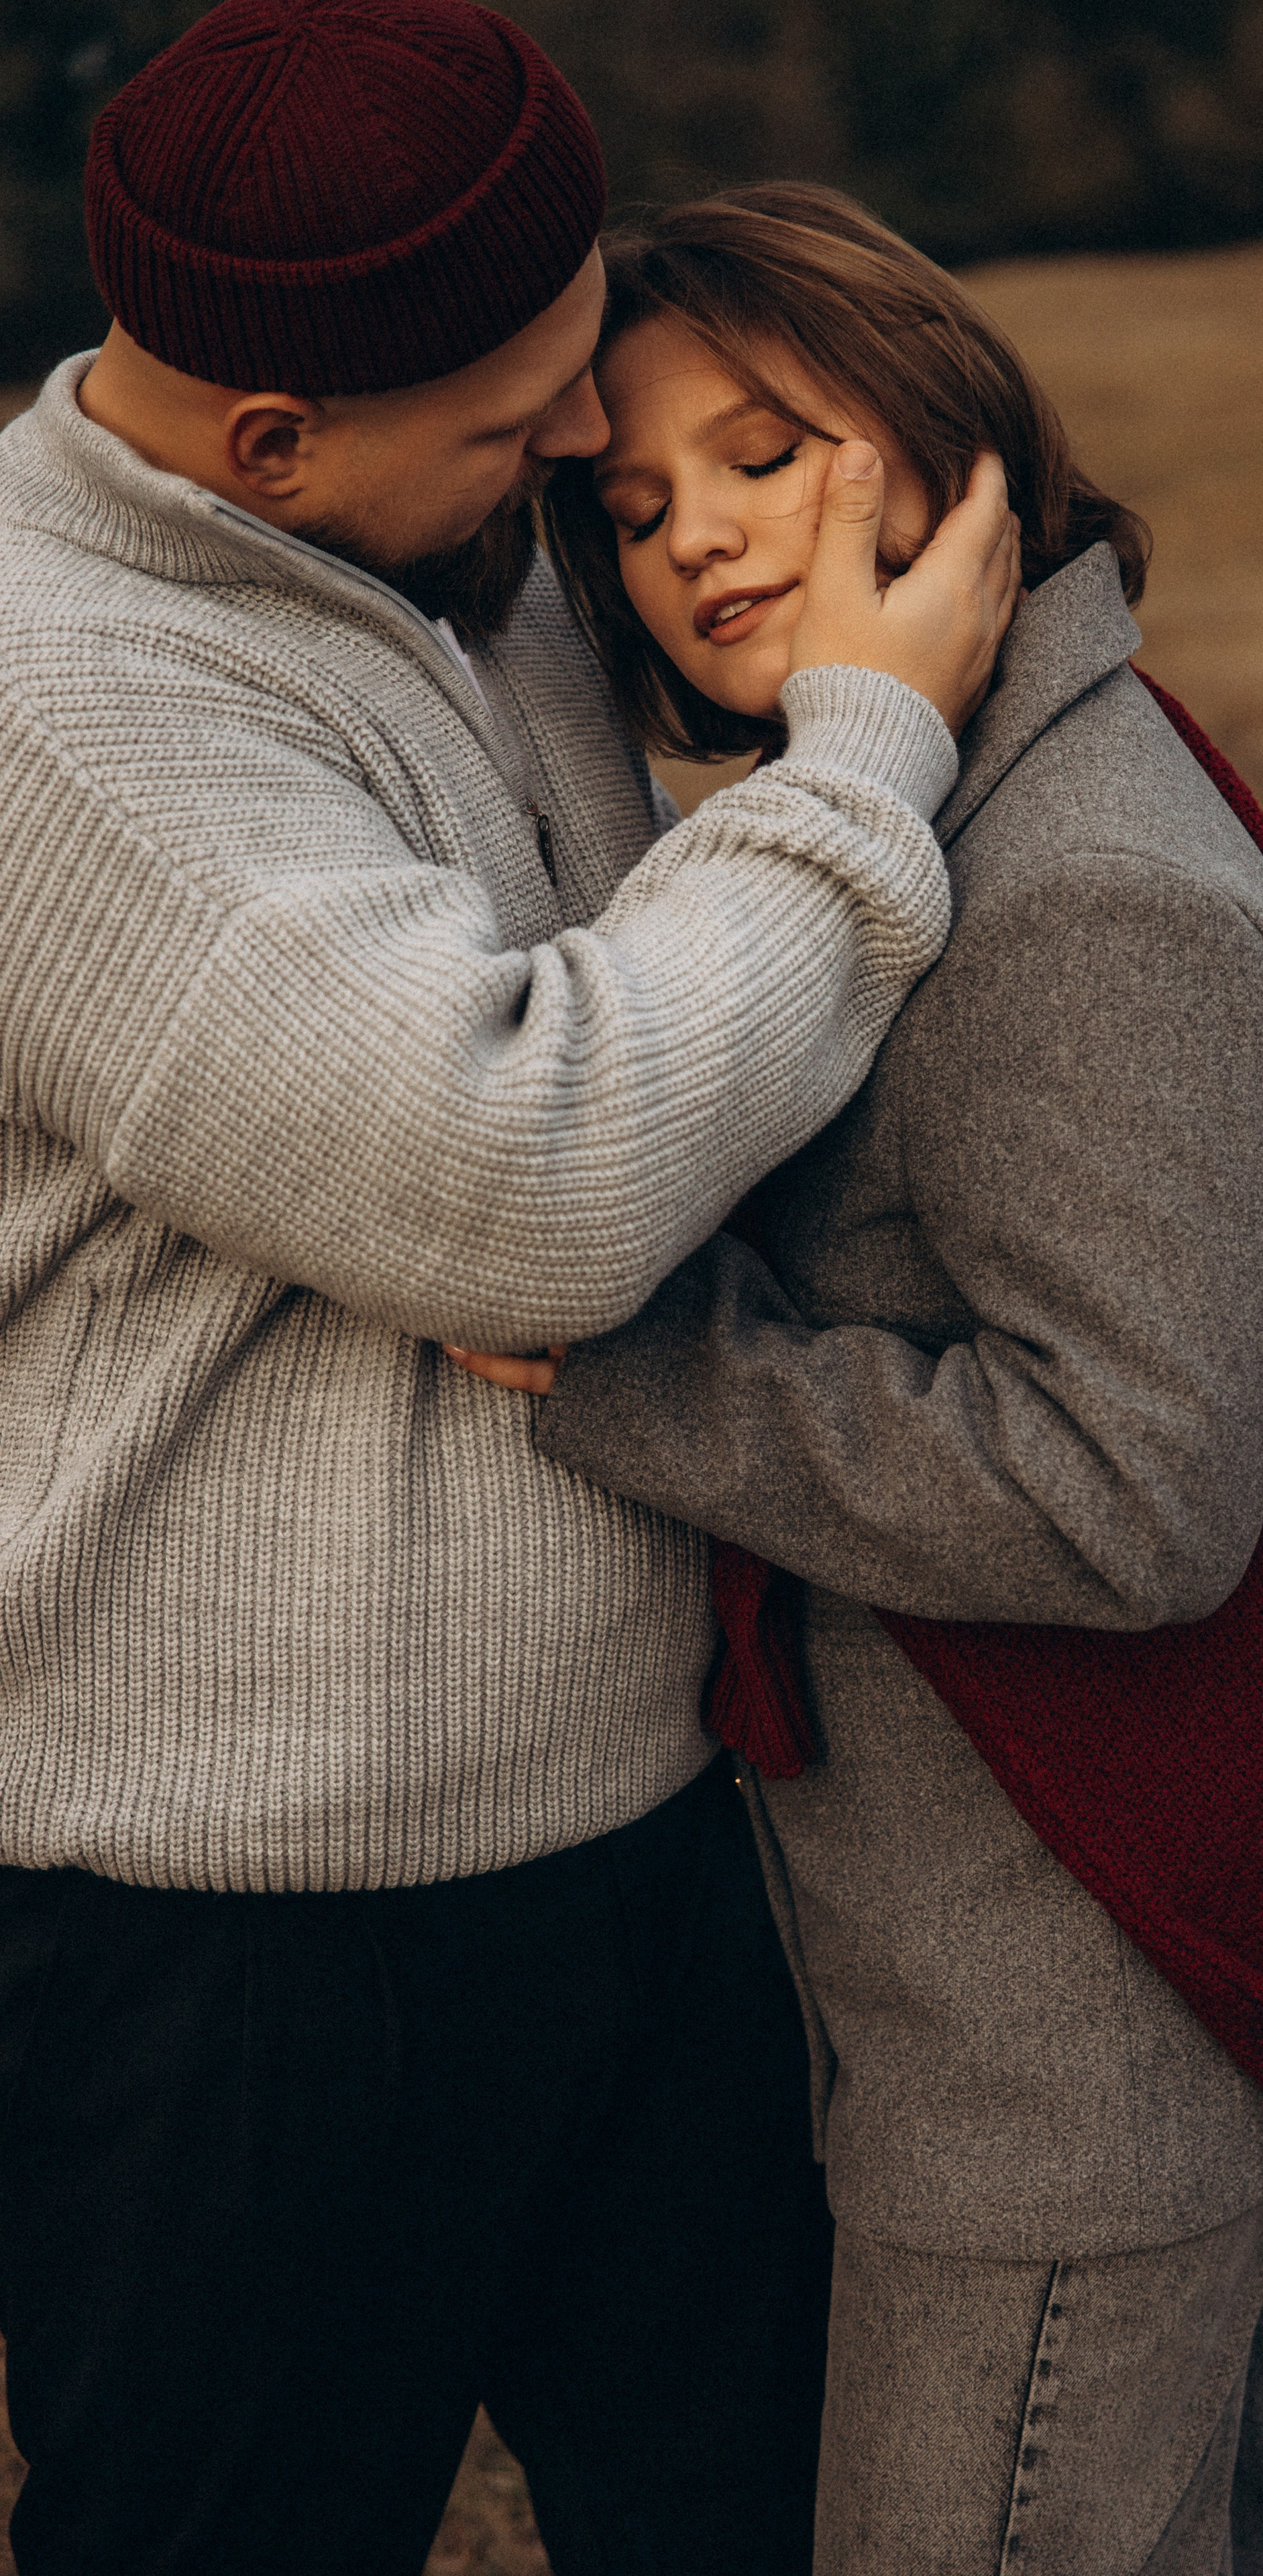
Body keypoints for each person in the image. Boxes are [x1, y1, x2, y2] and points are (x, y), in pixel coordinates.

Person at [0, 10, 1021, 2571]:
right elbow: (526, 1171)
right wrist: (868, 761)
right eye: (526, 416)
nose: (585, 460)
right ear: (269, 444)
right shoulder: (65, 720)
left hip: (640, 1828)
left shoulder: (412, 521)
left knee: (764, 2522)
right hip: (242, 1939)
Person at [452, 184, 1263, 2573]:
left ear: (942, 436)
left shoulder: (1084, 888)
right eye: (633, 507)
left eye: (766, 454)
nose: (692, 543)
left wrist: (624, 1371)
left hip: (1060, 2033)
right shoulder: (970, 784)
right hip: (1059, 1971)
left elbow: (1134, 1497)